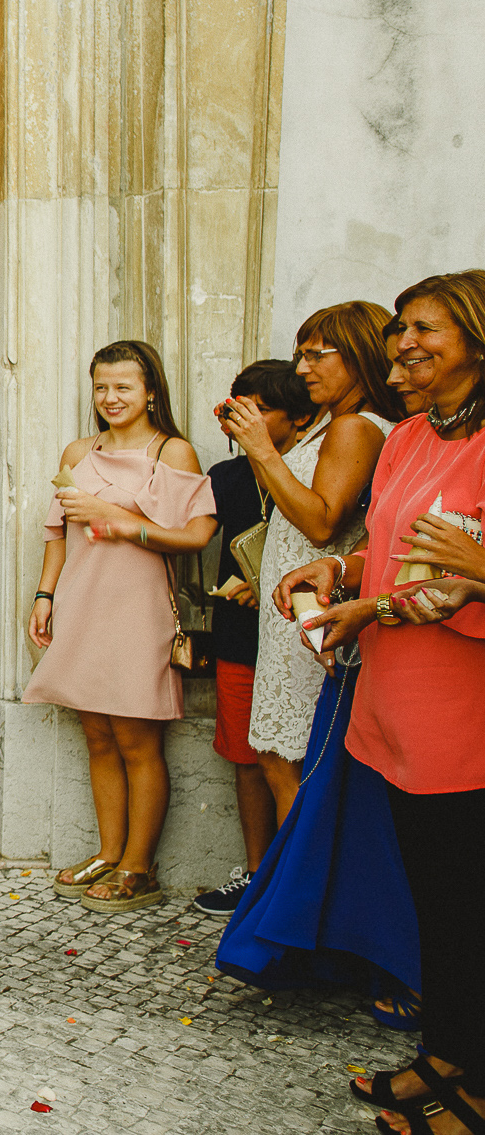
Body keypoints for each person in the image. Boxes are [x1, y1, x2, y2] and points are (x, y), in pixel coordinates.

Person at [284, 270, 485, 1135]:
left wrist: (396, 598)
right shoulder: (406, 437)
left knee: (470, 905)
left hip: (465, 717)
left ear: (476, 339)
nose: (403, 341)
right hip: (396, 708)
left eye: (426, 327)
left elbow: (455, 579)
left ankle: (475, 1094)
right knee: (435, 902)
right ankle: (445, 1055)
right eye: (400, 325)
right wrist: (342, 572)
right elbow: (386, 545)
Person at [25, 339, 217, 912]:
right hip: (82, 602)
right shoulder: (79, 450)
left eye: (123, 387)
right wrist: (44, 594)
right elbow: (58, 532)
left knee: (137, 739)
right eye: (101, 387)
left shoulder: (172, 452)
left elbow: (198, 536)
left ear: (150, 390)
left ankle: (140, 868)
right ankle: (109, 852)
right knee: (98, 735)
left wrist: (120, 520)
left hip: (137, 609)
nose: (110, 397)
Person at [228, 302, 402, 822]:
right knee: (277, 758)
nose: (301, 369)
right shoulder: (332, 423)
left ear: (357, 355)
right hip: (293, 606)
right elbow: (287, 501)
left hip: (316, 608)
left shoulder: (356, 427)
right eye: (299, 355)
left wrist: (262, 450)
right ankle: (291, 891)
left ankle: (300, 897)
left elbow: (323, 522)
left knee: (291, 765)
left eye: (314, 355)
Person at [191, 359, 315, 915]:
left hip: (296, 637)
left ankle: (298, 884)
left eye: (263, 409)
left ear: (300, 417)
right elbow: (190, 533)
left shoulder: (313, 473)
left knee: (292, 759)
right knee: (247, 755)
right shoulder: (227, 475)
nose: (248, 418)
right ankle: (258, 873)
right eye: (240, 406)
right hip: (239, 637)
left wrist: (265, 581)